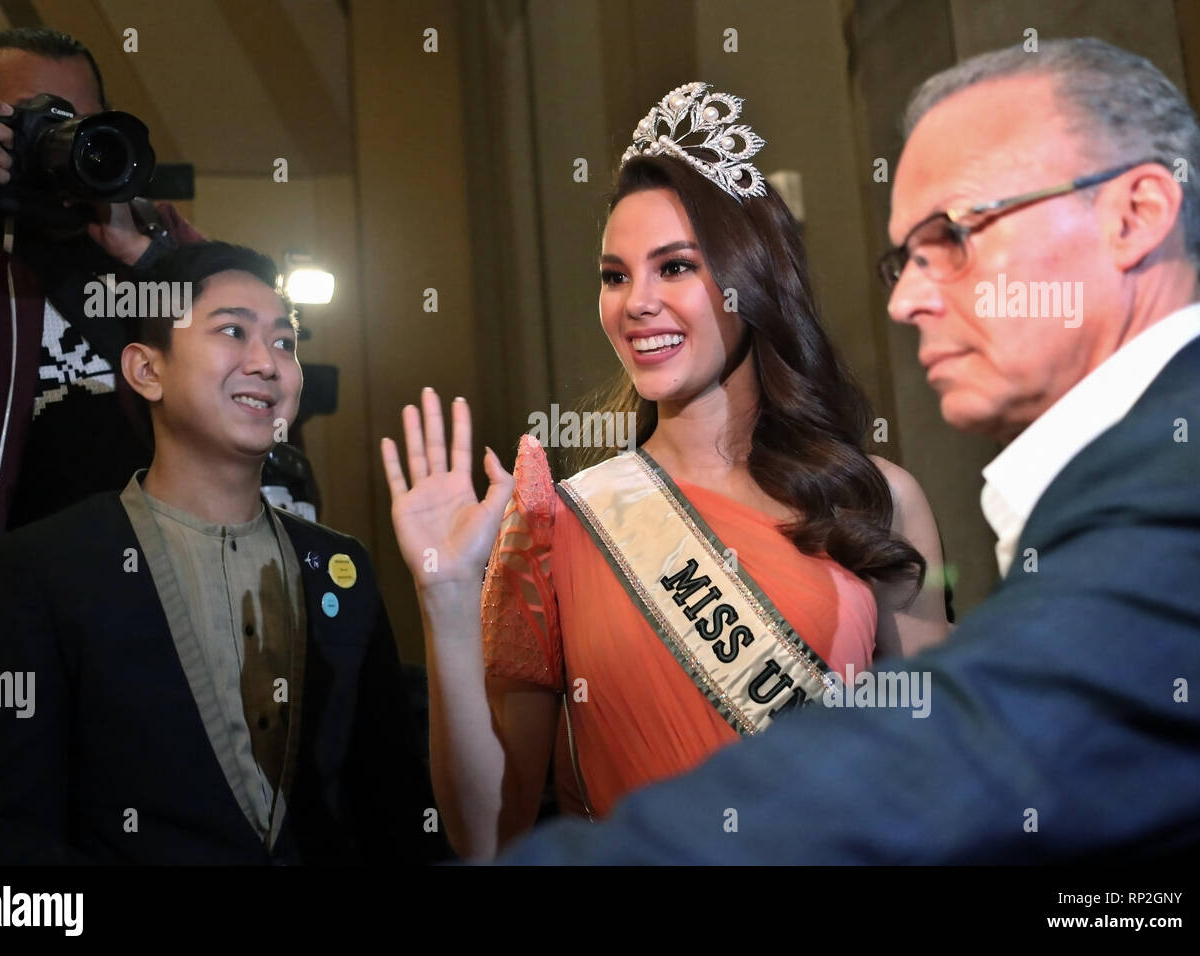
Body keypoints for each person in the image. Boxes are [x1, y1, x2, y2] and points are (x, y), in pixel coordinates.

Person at [491, 37, 1200, 864]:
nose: (909, 298)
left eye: (955, 235)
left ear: (1134, 216)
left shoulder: (1198, 485)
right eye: (904, 256)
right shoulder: (1141, 469)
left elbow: (958, 754)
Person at [381, 83, 950, 860]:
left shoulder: (873, 499)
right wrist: (446, 596)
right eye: (615, 276)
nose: (636, 303)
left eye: (674, 267)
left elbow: (939, 770)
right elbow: (487, 836)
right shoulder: (560, 522)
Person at [0, 242, 442, 864]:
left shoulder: (343, 569)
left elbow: (393, 809)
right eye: (232, 331)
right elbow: (9, 838)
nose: (266, 363)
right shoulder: (47, 568)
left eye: (286, 342)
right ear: (145, 370)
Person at [0, 28, 202, 800]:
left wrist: (145, 252)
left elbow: (250, 345)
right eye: (34, 118)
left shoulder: (146, 231)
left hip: (152, 638)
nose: (59, 138)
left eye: (76, 119)